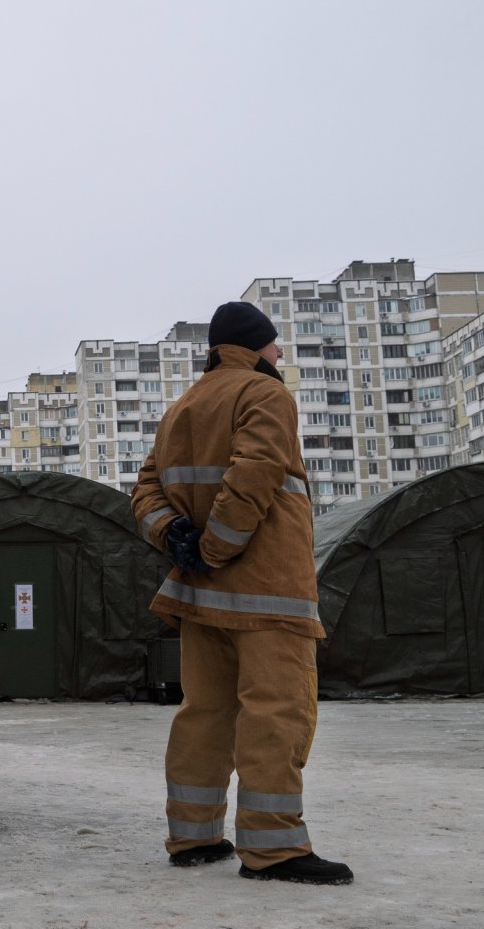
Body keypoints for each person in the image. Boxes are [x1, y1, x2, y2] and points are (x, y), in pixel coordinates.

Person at [131, 300, 353, 886]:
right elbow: (254, 474)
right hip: (267, 594)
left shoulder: (182, 407)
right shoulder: (266, 395)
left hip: (201, 598)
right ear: (254, 347)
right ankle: (275, 850)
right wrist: (216, 548)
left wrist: (174, 536)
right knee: (276, 714)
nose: (280, 355)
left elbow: (146, 490)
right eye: (275, 345)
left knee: (205, 713)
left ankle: (193, 834)